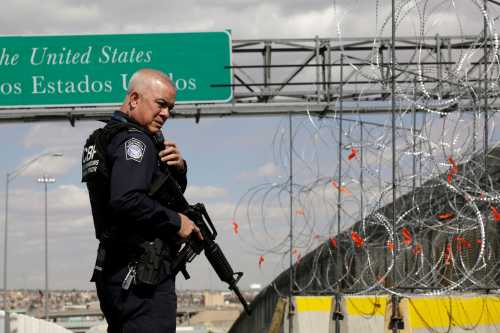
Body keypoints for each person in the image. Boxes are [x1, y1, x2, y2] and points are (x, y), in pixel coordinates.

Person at [82, 68, 202, 333]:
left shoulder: (105, 138)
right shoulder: (135, 141)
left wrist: (178, 168)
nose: (166, 114)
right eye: (160, 104)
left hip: (117, 268)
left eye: (170, 107)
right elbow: (127, 199)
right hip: (141, 276)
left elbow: (157, 193)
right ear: (134, 99)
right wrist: (176, 222)